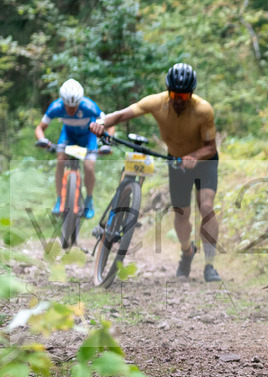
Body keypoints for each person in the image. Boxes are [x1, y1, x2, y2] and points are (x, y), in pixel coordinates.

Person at [89, 63, 222, 282]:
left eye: (184, 96)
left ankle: (209, 265)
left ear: (191, 94)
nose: (179, 100)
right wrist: (101, 123)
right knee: (181, 213)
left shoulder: (203, 110)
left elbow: (210, 146)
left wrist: (194, 157)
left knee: (206, 206)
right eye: (174, 94)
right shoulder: (156, 102)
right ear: (168, 91)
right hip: (177, 161)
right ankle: (187, 252)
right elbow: (122, 115)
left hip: (204, 161)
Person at [35, 79, 105, 219]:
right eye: (68, 107)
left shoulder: (89, 106)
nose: (72, 110)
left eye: (75, 106)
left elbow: (109, 123)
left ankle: (89, 201)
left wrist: (107, 142)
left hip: (88, 137)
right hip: (68, 135)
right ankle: (60, 198)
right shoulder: (55, 107)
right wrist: (42, 140)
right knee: (60, 161)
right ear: (62, 102)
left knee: (89, 167)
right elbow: (39, 128)